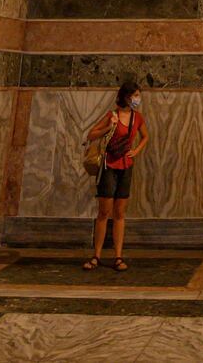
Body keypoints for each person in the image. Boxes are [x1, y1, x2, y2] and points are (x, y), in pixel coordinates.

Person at [83, 80, 149, 272]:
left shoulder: (138, 118)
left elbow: (145, 136)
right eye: (135, 95)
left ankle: (118, 256)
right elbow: (91, 135)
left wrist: (136, 151)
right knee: (104, 212)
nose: (137, 99)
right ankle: (96, 255)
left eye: (138, 95)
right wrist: (108, 127)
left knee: (120, 213)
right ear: (126, 97)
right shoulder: (112, 115)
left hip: (126, 165)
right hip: (109, 165)